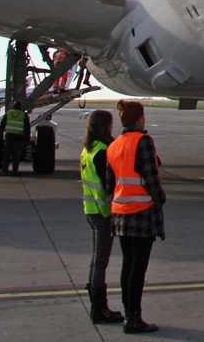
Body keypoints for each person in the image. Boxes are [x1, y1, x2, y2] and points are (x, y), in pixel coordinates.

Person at [105, 100, 165, 334]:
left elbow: (110, 183)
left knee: (128, 265)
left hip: (120, 213)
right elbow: (150, 177)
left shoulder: (114, 145)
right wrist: (160, 197)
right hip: (141, 214)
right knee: (138, 268)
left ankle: (128, 312)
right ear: (139, 119)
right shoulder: (143, 141)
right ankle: (134, 318)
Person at [81, 110, 124, 325]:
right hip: (103, 212)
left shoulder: (88, 149)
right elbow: (109, 183)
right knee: (101, 262)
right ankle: (99, 309)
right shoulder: (101, 151)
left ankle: (97, 306)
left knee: (96, 262)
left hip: (91, 210)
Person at [0, 100, 30, 176]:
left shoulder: (8, 113)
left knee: (7, 155)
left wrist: (6, 130)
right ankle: (14, 172)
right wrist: (27, 139)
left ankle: (5, 171)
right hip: (18, 137)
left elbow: (2, 124)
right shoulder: (23, 115)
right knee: (16, 155)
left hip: (9, 136)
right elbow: (27, 128)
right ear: (20, 107)